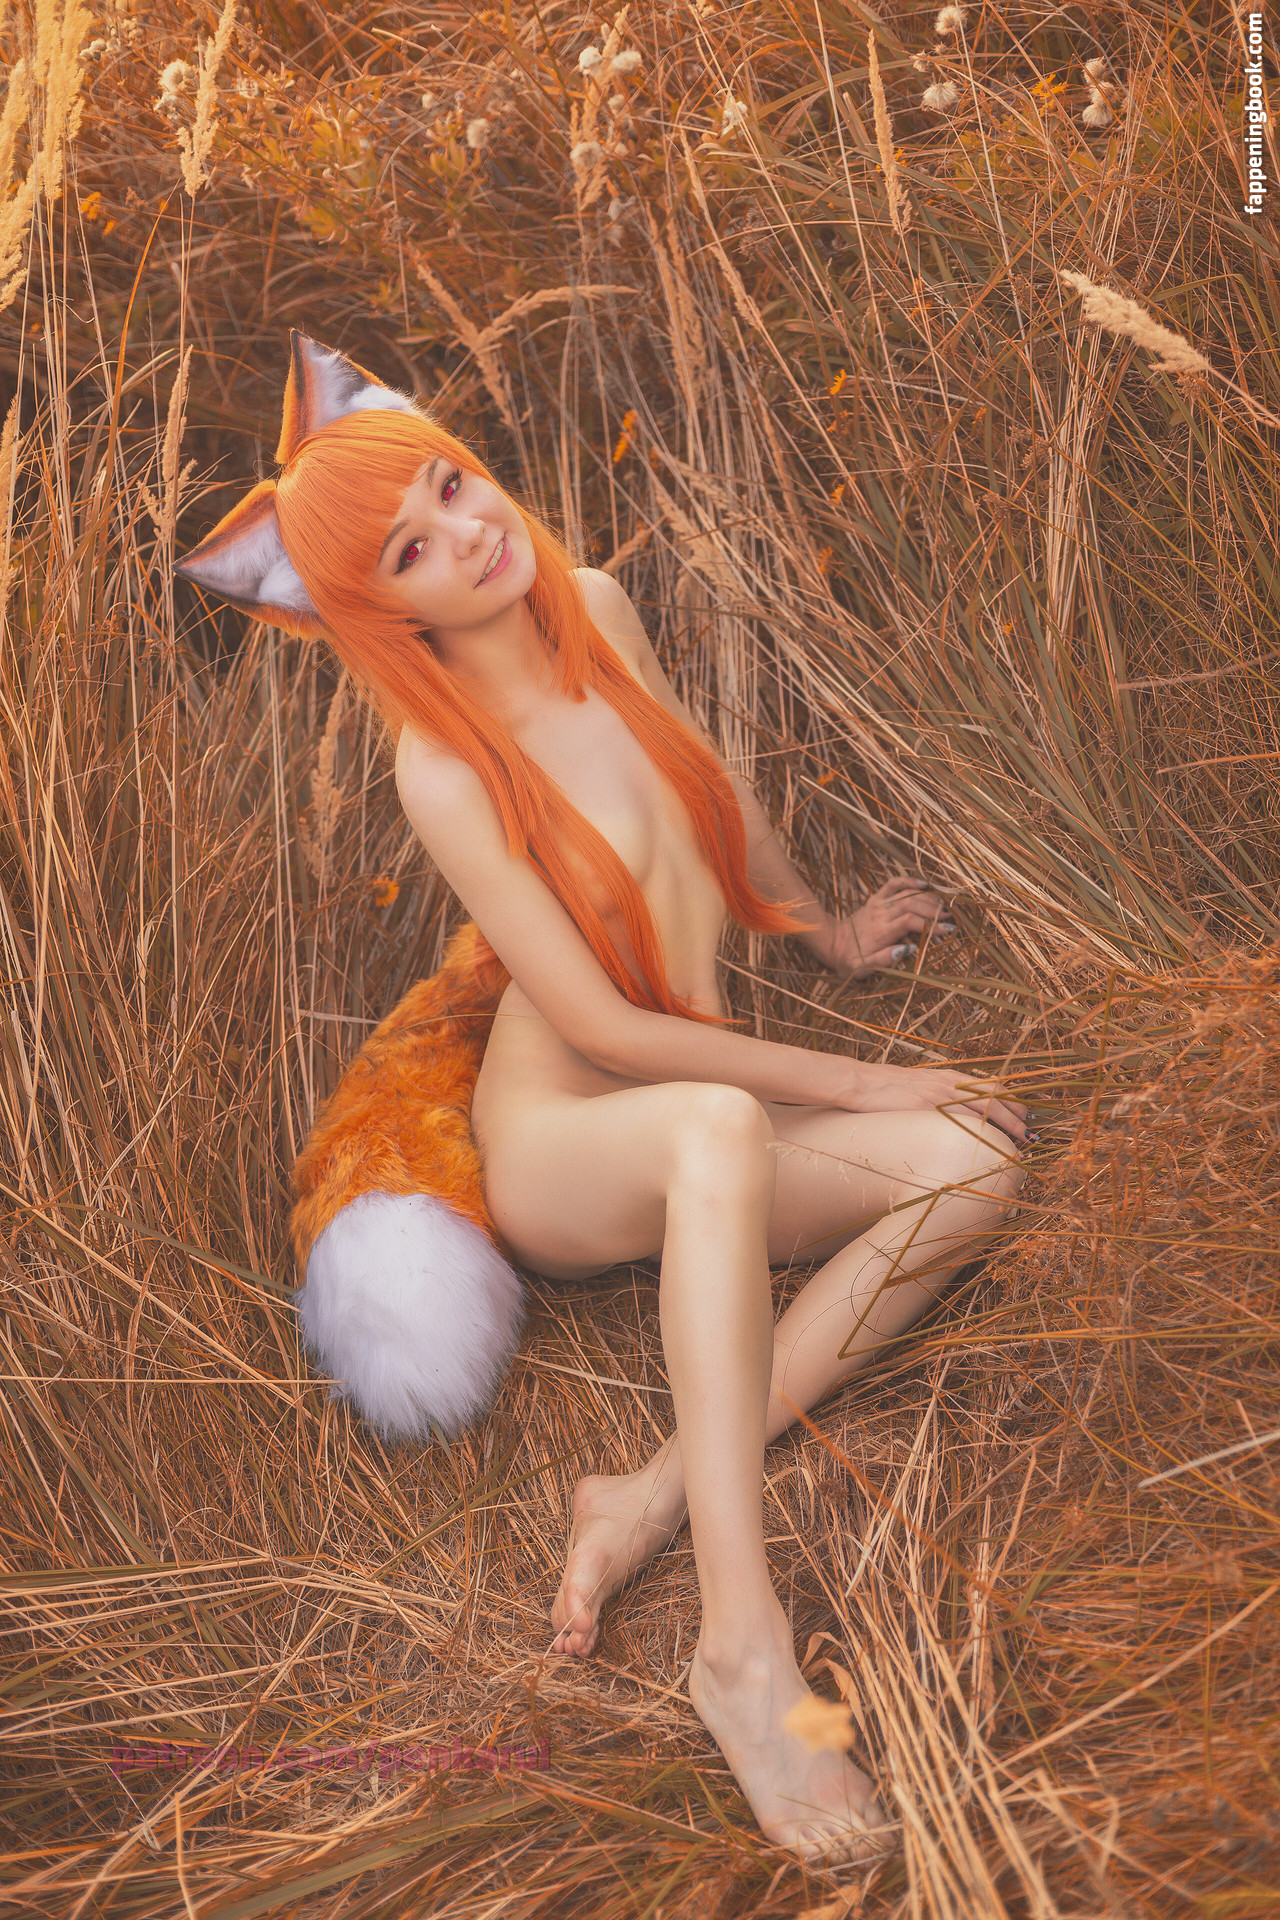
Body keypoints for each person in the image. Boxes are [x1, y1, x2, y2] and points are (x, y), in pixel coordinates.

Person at [177, 333, 1028, 1866]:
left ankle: (642, 1496)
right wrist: (856, 1074)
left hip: (696, 1114)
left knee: (973, 1166)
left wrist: (824, 931)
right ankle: (742, 1653)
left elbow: (714, 797)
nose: (465, 533)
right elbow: (607, 1035)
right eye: (409, 550)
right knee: (715, 1124)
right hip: (567, 1146)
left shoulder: (601, 608)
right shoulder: (442, 768)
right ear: (381, 612)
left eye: (452, 485)